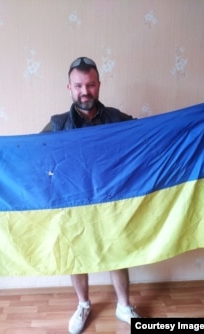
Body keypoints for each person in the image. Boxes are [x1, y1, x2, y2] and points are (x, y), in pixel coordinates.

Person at [42, 57, 141, 334]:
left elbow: (149, 136)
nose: (85, 91)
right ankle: (83, 304)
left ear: (99, 85)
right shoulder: (57, 124)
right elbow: (34, 152)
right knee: (76, 253)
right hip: (74, 202)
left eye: (91, 85)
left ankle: (123, 305)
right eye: (78, 86)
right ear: (69, 87)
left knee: (118, 252)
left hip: (111, 200)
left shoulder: (117, 119)